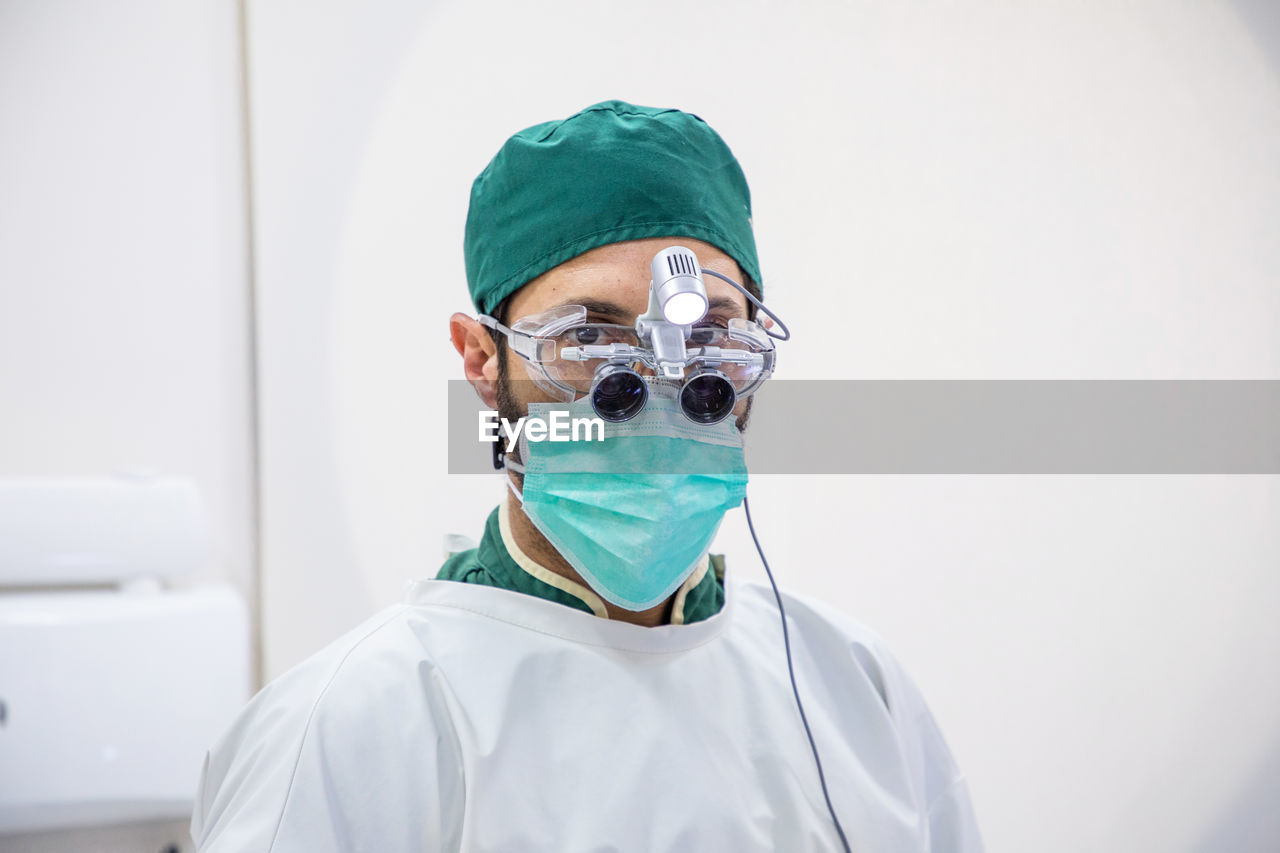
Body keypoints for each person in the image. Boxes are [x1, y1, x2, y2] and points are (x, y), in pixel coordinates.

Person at [191, 100, 983, 852]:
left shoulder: (852, 682)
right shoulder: (358, 721)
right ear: (480, 359)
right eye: (591, 341)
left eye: (708, 338)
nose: (658, 398)